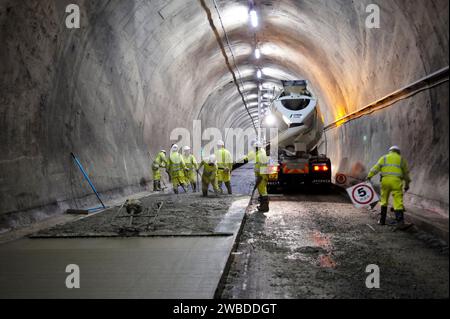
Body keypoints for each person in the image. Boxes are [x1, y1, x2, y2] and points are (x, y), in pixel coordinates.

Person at [367, 146, 411, 227]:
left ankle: (382, 220)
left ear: (390, 151)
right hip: (396, 182)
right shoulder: (401, 159)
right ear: (398, 152)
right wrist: (407, 184)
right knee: (398, 202)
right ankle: (400, 222)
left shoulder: (384, 158)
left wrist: (369, 176)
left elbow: (375, 168)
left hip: (385, 182)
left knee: (384, 201)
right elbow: (406, 174)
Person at [244, 140, 270, 212]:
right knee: (263, 190)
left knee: (262, 191)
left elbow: (260, 168)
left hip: (261, 176)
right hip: (263, 175)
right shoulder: (262, 152)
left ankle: (264, 207)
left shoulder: (259, 156)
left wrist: (258, 179)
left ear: (256, 148)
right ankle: (263, 206)